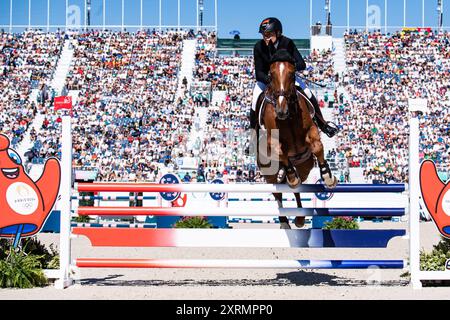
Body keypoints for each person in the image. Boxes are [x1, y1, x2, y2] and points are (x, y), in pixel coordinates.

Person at [250, 17, 338, 138]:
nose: (266, 37)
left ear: (278, 32)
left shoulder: (287, 43)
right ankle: (253, 137)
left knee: (308, 93)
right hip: (266, 80)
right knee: (254, 101)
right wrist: (273, 81)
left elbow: (302, 64)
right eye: (264, 34)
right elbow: (258, 72)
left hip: (287, 79)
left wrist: (286, 73)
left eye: (269, 34)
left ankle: (323, 125)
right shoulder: (258, 47)